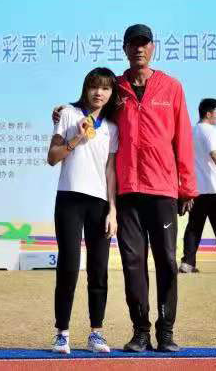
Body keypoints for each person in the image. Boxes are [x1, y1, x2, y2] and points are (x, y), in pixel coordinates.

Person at [51, 23, 197, 353]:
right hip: (127, 190)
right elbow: (90, 106)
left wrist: (187, 187)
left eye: (144, 43)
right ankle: (140, 331)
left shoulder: (172, 87)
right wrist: (61, 112)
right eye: (133, 44)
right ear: (125, 49)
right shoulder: (116, 89)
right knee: (133, 263)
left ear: (153, 47)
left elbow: (183, 139)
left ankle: (166, 331)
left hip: (162, 188)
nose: (139, 49)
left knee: (166, 261)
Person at [47, 67, 119, 355]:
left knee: (98, 269)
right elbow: (52, 157)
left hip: (99, 203)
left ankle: (96, 333)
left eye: (105, 88)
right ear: (86, 88)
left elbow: (111, 171)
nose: (98, 93)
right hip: (69, 199)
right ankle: (61, 333)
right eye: (94, 86)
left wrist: (113, 210)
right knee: (68, 266)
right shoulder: (68, 114)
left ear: (111, 93)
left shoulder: (112, 127)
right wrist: (76, 138)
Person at [179, 98, 216, 274]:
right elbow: (214, 154)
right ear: (208, 114)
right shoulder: (210, 131)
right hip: (214, 188)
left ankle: (187, 263)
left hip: (196, 190)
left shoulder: (191, 131)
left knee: (194, 227)